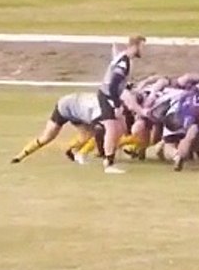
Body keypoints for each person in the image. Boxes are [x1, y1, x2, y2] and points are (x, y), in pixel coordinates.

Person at [97, 36, 147, 174]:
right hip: (108, 97)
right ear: (135, 46)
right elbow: (113, 85)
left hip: (108, 95)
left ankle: (109, 157)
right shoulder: (124, 62)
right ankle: (108, 163)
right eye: (142, 46)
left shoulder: (123, 58)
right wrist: (117, 105)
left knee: (119, 129)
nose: (143, 50)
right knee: (112, 129)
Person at [11, 92, 102, 164]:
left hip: (77, 108)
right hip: (65, 107)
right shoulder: (100, 112)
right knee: (47, 137)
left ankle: (71, 150)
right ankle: (20, 156)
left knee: (87, 135)